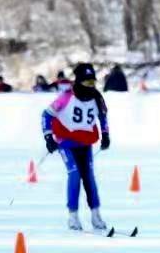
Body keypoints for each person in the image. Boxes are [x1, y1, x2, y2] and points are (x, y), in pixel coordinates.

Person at [41, 63, 111, 231]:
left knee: (89, 177)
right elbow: (46, 115)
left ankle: (95, 215)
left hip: (85, 142)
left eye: (93, 83)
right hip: (66, 142)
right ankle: (73, 216)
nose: (91, 86)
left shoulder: (97, 97)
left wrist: (105, 134)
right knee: (74, 174)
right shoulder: (66, 96)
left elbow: (102, 117)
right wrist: (48, 136)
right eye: (87, 83)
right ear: (79, 82)